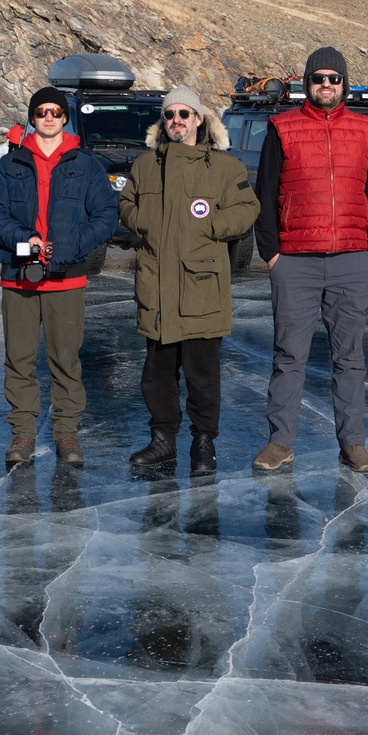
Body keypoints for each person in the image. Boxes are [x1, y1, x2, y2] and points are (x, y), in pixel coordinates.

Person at [252, 47, 368, 474]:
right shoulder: (282, 127)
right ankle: (280, 443)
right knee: (289, 355)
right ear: (306, 84)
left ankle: (353, 444)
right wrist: (272, 254)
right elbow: (266, 192)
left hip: (352, 259)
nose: (326, 85)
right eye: (318, 78)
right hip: (295, 260)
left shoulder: (365, 130)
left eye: (334, 78)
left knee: (350, 358)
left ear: (344, 84)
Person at [119, 85, 259, 477]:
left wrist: (213, 226)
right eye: (170, 115)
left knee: (202, 375)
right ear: (162, 122)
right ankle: (163, 440)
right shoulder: (146, 165)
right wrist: (143, 223)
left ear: (200, 119)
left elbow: (249, 208)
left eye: (185, 114)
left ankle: (203, 443)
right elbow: (126, 204)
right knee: (157, 372)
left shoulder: (225, 167)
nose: (177, 121)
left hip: (201, 286)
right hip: (158, 288)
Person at [0, 84, 120, 468]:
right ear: (31, 117)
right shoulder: (11, 164)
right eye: (41, 111)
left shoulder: (86, 164)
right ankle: (23, 431)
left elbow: (107, 216)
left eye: (55, 112)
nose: (48, 117)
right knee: (20, 359)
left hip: (66, 277)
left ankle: (66, 432)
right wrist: (20, 238)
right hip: (19, 275)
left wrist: (72, 246)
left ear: (65, 117)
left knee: (65, 359)